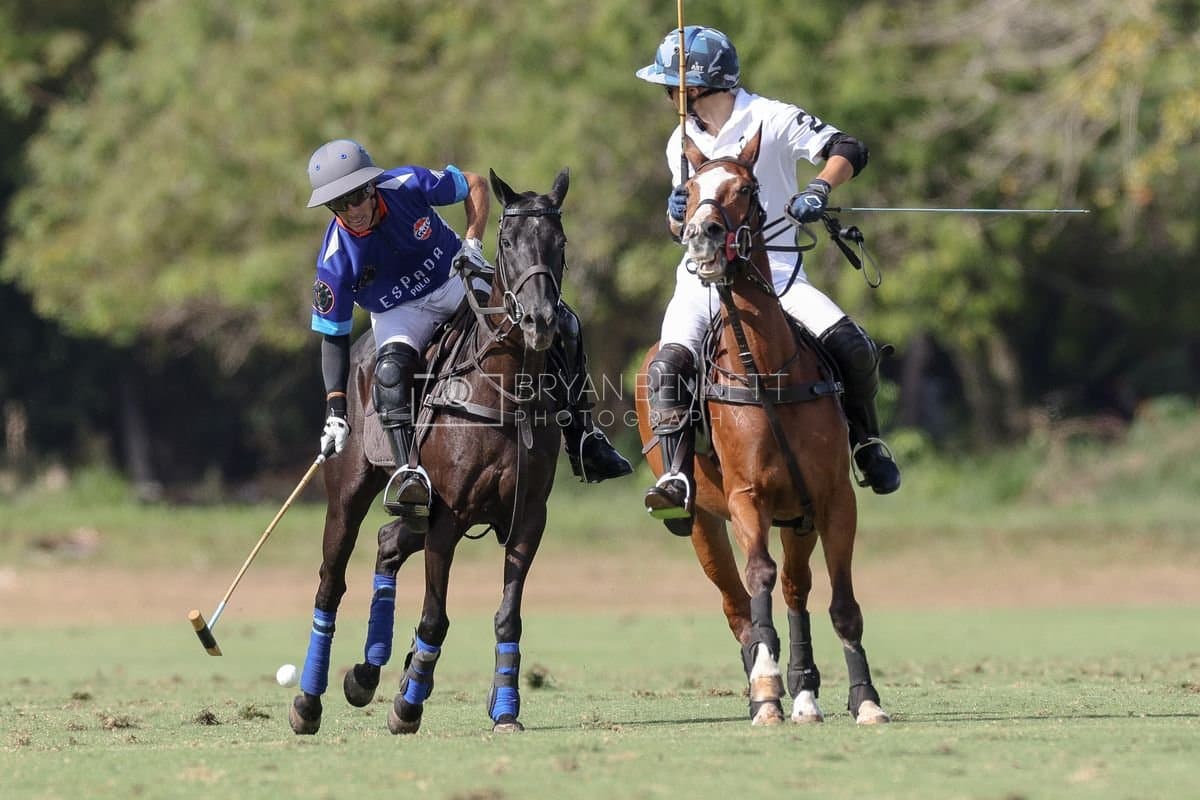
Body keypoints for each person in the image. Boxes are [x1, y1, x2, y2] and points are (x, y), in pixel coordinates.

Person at [635, 26, 901, 523]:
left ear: (697, 86)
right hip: (701, 278)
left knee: (852, 346)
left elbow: (848, 147)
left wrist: (818, 189)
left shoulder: (772, 118)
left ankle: (866, 444)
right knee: (666, 368)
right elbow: (680, 230)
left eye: (671, 86)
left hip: (774, 274)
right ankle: (675, 477)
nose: (668, 95)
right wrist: (674, 216)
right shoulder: (680, 140)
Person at [306, 139, 630, 531]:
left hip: (454, 279)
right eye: (340, 203)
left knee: (565, 324)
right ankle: (409, 475)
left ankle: (583, 437)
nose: (353, 210)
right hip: (398, 311)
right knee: (389, 374)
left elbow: (475, 184)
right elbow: (333, 337)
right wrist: (336, 412)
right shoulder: (335, 259)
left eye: (358, 196)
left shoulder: (406, 184)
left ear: (372, 186)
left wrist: (472, 242)